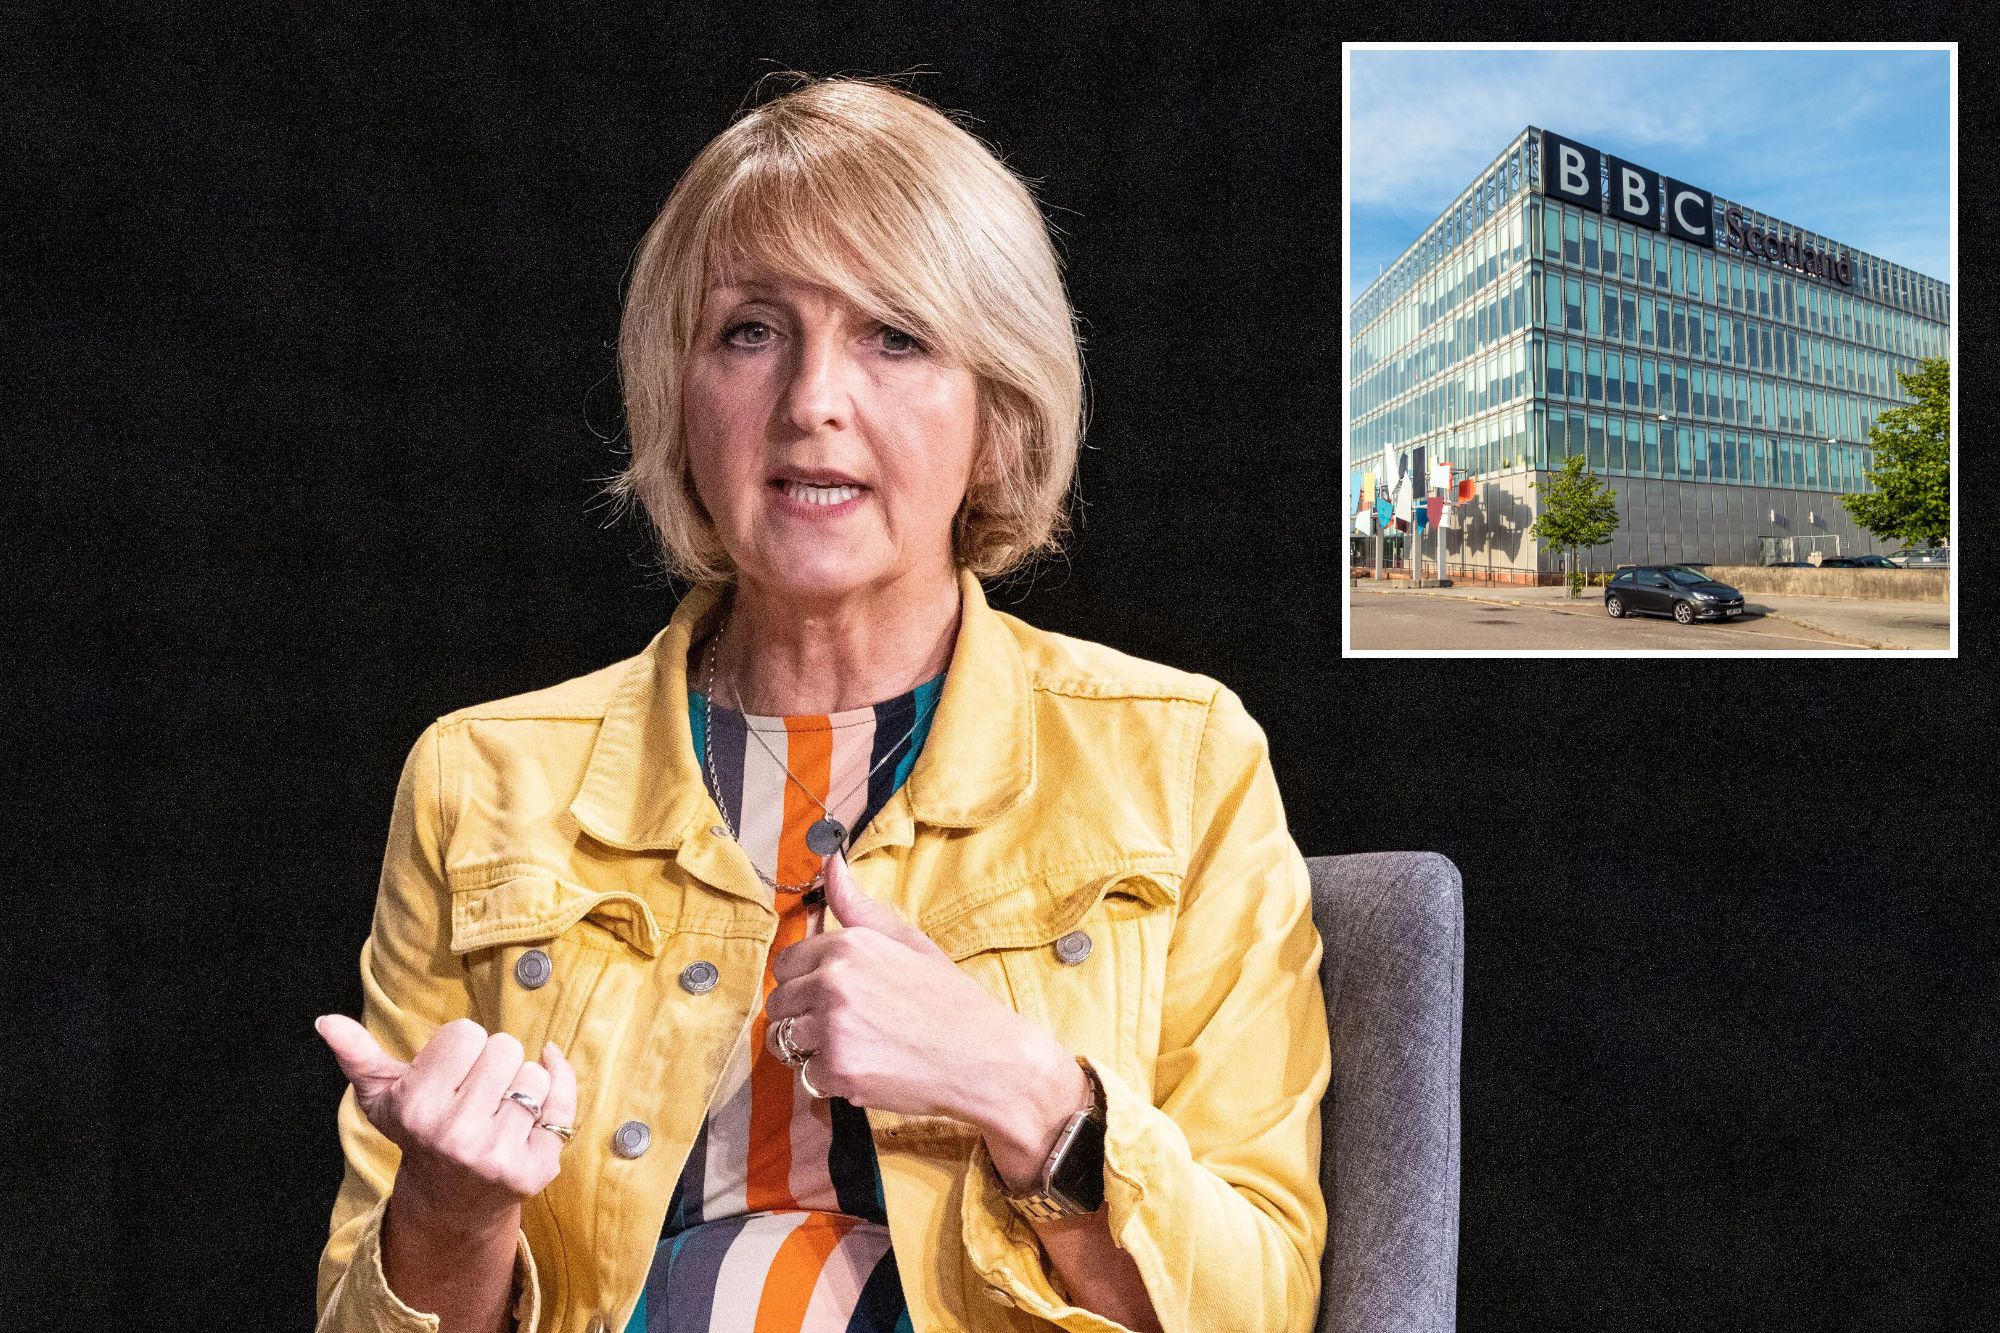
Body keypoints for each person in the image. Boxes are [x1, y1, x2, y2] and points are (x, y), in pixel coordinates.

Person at [313, 74, 1329, 1333]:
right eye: (750, 330)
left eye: (893, 337)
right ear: (679, 394)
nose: (810, 402)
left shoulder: (1180, 761)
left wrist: (1023, 1092)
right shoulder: (480, 778)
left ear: (996, 414)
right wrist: (453, 1212)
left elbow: (1263, 1307)